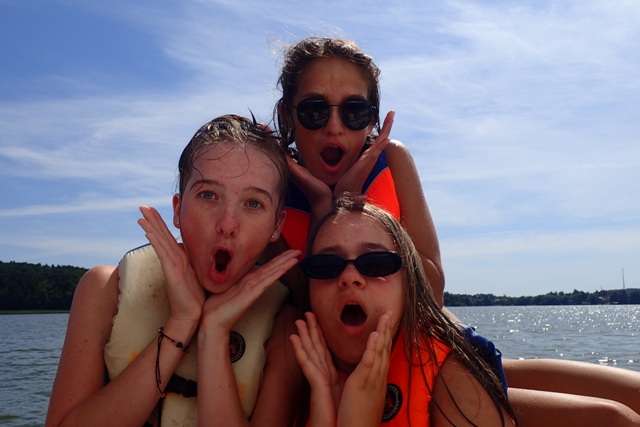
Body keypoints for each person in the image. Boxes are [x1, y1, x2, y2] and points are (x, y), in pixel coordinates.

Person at [272, 36, 640, 426]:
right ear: (287, 116)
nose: (334, 127)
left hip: (447, 349)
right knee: (614, 420)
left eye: (354, 111)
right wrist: (325, 210)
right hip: (399, 376)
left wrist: (346, 199)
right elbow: (306, 307)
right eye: (314, 111)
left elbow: (432, 290)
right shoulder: (268, 193)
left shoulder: (393, 160)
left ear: (373, 118)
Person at [45, 115, 303, 427]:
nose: (227, 224)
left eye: (253, 203)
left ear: (277, 225)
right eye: (208, 195)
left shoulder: (285, 327)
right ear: (178, 210)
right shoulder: (103, 289)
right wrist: (181, 323)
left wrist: (213, 333)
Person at [291, 195, 517, 426]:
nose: (349, 277)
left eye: (376, 263)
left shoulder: (455, 382)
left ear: (407, 286)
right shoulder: (287, 380)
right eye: (325, 266)